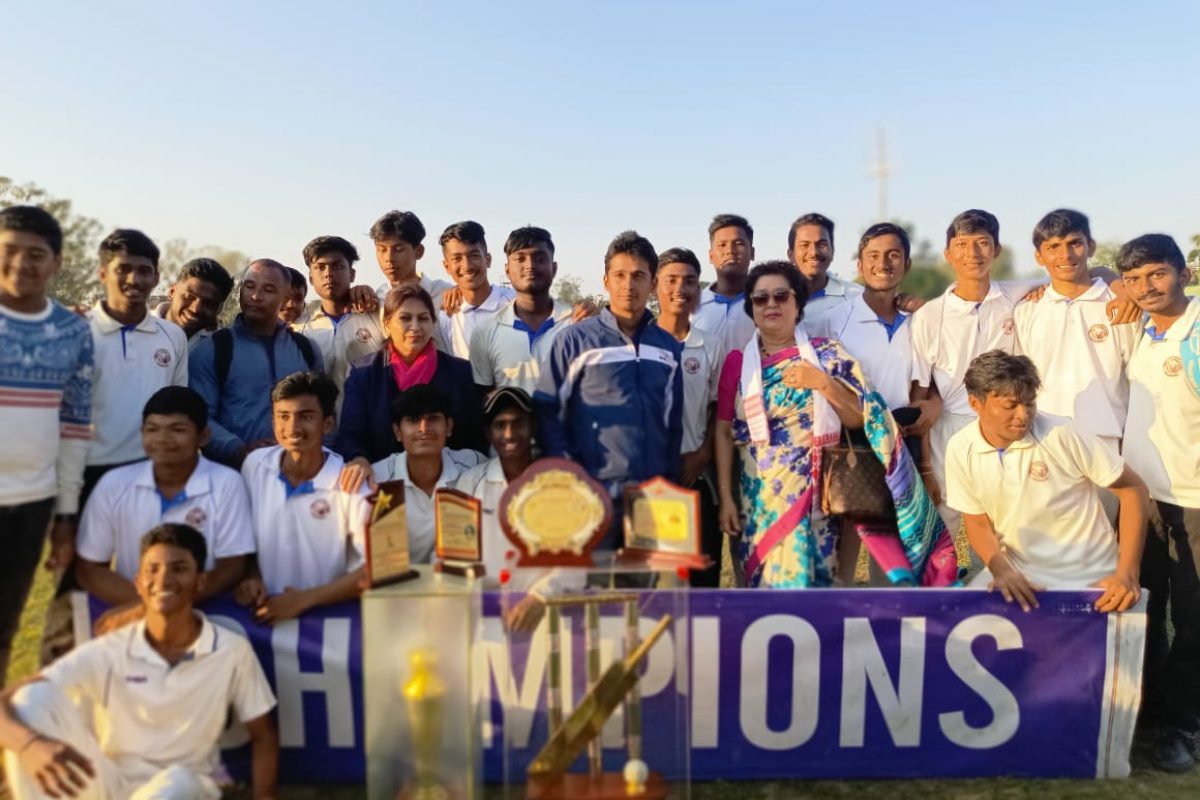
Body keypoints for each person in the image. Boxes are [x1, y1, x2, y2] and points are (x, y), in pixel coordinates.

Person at [714, 261, 956, 589]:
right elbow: (725, 431)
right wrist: (727, 498)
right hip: (757, 503)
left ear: (798, 303)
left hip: (817, 501)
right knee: (761, 595)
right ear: (752, 308)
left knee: (815, 594)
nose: (771, 304)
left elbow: (860, 418)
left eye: (781, 296)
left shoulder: (827, 355)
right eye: (761, 299)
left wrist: (823, 384)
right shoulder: (738, 364)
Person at [0, 523, 278, 800]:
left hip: (185, 787)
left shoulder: (231, 650)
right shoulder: (111, 647)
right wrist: (30, 745)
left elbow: (263, 735)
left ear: (200, 581)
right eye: (152, 570)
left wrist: (264, 796)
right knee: (30, 701)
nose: (164, 580)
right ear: (139, 584)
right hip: (110, 782)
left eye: (179, 569)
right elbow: (10, 699)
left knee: (177, 782)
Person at [945, 351, 1147, 613]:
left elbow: (1133, 490)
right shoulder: (960, 448)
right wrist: (1002, 570)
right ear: (975, 404)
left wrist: (1127, 573)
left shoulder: (1061, 433)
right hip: (1021, 576)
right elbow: (977, 522)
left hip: (1090, 576)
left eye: (1030, 403)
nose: (1023, 414)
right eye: (1011, 405)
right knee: (963, 627)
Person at [535, 230, 684, 549]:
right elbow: (548, 413)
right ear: (605, 280)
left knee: (644, 592)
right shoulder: (574, 342)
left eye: (638, 275)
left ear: (653, 282)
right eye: (620, 275)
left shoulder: (669, 348)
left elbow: (673, 425)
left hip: (651, 497)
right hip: (590, 496)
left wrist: (668, 483)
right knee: (591, 591)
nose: (629, 285)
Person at [1115, 234, 1200, 771]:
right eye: (1135, 278)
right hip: (1144, 497)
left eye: (1157, 274)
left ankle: (1184, 724)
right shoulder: (1141, 331)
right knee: (1146, 607)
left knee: (1194, 618)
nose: (1147, 287)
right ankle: (1148, 711)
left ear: (1183, 274)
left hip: (1194, 501)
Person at [0, 206, 93, 680]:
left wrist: (65, 514)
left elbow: (75, 429)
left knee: (5, 628)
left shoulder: (74, 332)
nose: (21, 264)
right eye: (9, 252)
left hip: (32, 503)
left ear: (56, 262)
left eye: (35, 254)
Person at [74, 386, 254, 629]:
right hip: (134, 618)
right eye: (152, 429)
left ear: (203, 436)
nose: (162, 440)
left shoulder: (226, 483)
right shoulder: (114, 484)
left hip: (209, 617)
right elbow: (90, 569)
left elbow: (231, 568)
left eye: (177, 429)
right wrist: (150, 607)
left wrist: (165, 605)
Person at [237, 372, 372, 624]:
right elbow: (244, 541)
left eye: (306, 417)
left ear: (328, 424)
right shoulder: (255, 465)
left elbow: (375, 568)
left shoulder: (352, 483)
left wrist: (302, 600)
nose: (292, 429)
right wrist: (250, 576)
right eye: (283, 417)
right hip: (266, 618)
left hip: (330, 626)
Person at [454, 387, 581, 630]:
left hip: (547, 619)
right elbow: (452, 555)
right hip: (483, 619)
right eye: (500, 425)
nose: (509, 434)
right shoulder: (469, 483)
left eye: (517, 423)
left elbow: (575, 562)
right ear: (488, 433)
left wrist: (540, 597)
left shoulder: (558, 483)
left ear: (532, 427)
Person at [1014, 209, 1134, 458]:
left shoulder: (1120, 304)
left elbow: (1138, 379)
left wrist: (1133, 441)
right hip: (1045, 439)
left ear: (1090, 246)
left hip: (1108, 439)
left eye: (1074, 244)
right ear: (1039, 256)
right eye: (1054, 246)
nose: (1065, 255)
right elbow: (1024, 379)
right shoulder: (1027, 310)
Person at [337, 284, 486, 480]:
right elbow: (351, 435)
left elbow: (473, 436)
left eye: (423, 318)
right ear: (387, 325)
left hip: (449, 482)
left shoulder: (460, 372)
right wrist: (358, 458)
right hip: (384, 482)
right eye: (405, 318)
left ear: (433, 323)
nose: (415, 327)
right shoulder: (363, 374)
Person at [84, 229, 189, 503]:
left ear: (156, 277)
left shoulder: (173, 336)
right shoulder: (76, 330)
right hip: (85, 471)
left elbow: (177, 405)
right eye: (123, 269)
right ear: (103, 273)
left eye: (144, 270)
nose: (134, 279)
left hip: (149, 469)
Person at [188, 259, 323, 467]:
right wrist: (239, 449)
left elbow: (322, 412)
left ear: (285, 297)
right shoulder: (213, 349)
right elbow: (199, 415)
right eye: (249, 286)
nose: (255, 296)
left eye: (268, 290)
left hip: (297, 469)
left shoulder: (305, 349)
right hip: (232, 472)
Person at [808, 223, 925, 460]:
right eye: (873, 256)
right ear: (860, 266)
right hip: (853, 450)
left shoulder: (920, 323)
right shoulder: (831, 322)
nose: (882, 264)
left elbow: (927, 386)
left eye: (893, 255)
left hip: (906, 446)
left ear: (907, 265)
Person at [654, 247, 723, 586]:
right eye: (671, 280)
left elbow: (716, 408)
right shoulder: (639, 342)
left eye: (690, 281)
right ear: (656, 285)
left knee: (702, 583)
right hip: (651, 481)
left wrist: (703, 454)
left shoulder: (711, 344)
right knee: (660, 585)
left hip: (695, 475)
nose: (680, 288)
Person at [371, 385, 484, 564]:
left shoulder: (474, 466)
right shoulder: (378, 479)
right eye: (414, 419)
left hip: (458, 583)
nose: (424, 428)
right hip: (399, 585)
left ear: (448, 426)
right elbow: (382, 562)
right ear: (398, 432)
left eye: (433, 418)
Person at [470, 225, 576, 395]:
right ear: (507, 270)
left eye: (540, 258)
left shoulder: (576, 324)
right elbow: (483, 398)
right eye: (520, 259)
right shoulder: (485, 331)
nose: (530, 266)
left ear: (554, 268)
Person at [291, 235, 384, 403]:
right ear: (311, 278)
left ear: (352, 274)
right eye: (320, 267)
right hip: (321, 425)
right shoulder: (300, 329)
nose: (328, 274)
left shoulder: (376, 315)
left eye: (337, 266)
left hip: (370, 424)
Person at [435, 221, 515, 358]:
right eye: (457, 259)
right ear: (447, 267)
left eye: (474, 255)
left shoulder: (515, 303)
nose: (467, 265)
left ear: (487, 259)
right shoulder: (446, 316)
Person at [693, 214, 757, 356]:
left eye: (739, 243)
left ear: (752, 253)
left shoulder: (767, 302)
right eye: (722, 245)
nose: (730, 251)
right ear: (710, 256)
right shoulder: (693, 306)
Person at [786, 212, 863, 327]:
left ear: (833, 251)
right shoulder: (773, 298)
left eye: (822, 244)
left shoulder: (857, 297)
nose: (814, 253)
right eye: (805, 245)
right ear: (790, 254)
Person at [366, 210, 451, 305]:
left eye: (398, 249)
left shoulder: (445, 294)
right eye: (382, 249)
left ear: (419, 251)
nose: (389, 258)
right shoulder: (375, 300)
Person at [153, 257, 234, 341]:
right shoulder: (140, 327)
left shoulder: (222, 345)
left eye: (208, 304)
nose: (196, 309)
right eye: (190, 297)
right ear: (172, 291)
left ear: (219, 308)